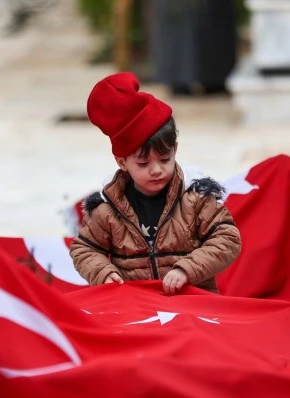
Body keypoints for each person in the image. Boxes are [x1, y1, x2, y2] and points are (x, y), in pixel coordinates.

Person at [69, 72, 241, 295]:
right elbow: (84, 248)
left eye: (165, 159)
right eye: (143, 163)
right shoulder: (108, 208)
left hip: (194, 305)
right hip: (136, 309)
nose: (157, 170)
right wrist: (102, 272)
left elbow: (228, 238)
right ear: (122, 162)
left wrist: (187, 269)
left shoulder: (196, 197)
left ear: (175, 150)